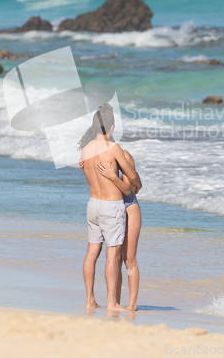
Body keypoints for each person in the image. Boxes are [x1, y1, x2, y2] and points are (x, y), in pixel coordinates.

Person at [78, 104, 141, 312]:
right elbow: (132, 178)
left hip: (92, 204)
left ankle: (90, 300)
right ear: (111, 127)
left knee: (91, 252)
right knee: (113, 255)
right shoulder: (113, 148)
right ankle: (112, 303)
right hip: (111, 206)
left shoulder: (85, 150)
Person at [97, 150, 141, 311]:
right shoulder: (95, 156)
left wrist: (113, 176)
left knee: (129, 259)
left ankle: (132, 304)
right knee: (114, 258)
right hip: (109, 209)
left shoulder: (124, 155)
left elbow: (129, 186)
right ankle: (115, 302)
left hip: (129, 207)